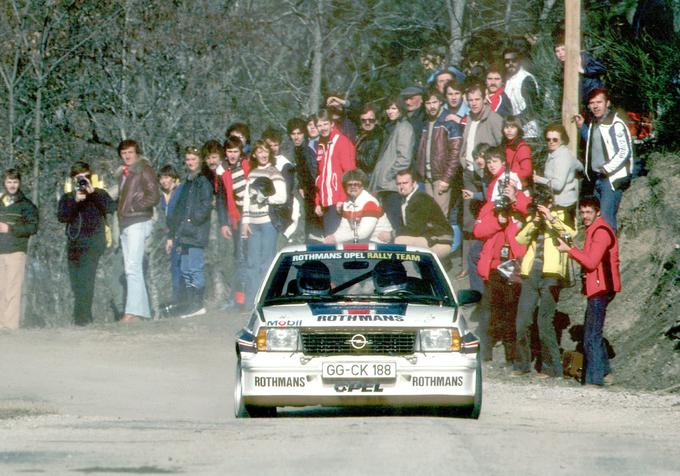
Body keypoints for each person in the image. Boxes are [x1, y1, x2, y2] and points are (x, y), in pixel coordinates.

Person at [513, 185, 575, 378]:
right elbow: (520, 239)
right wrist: (534, 222)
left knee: (544, 322)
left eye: (544, 203)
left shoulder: (562, 214)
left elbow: (570, 234)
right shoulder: (532, 217)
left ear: (550, 201)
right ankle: (522, 364)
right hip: (531, 272)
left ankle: (551, 368)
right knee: (522, 321)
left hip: (551, 274)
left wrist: (551, 218)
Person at [473, 149, 529, 364]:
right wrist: (499, 220)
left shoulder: (520, 203)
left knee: (510, 311)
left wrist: (515, 199)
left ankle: (512, 355)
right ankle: (485, 352)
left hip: (514, 264)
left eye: (508, 187)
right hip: (495, 264)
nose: (504, 190)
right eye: (502, 187)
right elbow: (478, 231)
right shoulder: (491, 207)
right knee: (488, 311)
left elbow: (530, 212)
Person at [557, 196, 620, 386]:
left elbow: (591, 262)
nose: (584, 216)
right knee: (593, 333)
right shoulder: (593, 229)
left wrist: (570, 250)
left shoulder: (600, 232)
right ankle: (605, 374)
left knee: (591, 335)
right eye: (582, 212)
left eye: (588, 212)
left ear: (598, 212)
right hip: (598, 286)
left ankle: (594, 381)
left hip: (601, 287)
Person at [57, 162, 115, 326]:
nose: (82, 181)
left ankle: (83, 319)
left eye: (86, 177)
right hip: (74, 244)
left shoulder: (99, 193)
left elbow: (111, 207)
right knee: (76, 283)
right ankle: (80, 317)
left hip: (93, 244)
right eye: (78, 178)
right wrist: (75, 201)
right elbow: (62, 216)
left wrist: (93, 193)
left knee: (86, 281)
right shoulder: (68, 197)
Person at [575, 88, 634, 232]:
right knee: (597, 221)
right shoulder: (596, 123)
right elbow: (594, 143)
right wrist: (582, 127)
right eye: (592, 103)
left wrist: (606, 168)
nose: (595, 106)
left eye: (599, 102)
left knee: (607, 222)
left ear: (607, 103)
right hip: (597, 178)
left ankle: (610, 254)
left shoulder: (616, 124)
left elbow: (624, 151)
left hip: (611, 180)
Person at [166, 147, 214, 318]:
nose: (190, 162)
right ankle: (191, 303)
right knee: (185, 268)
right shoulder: (187, 182)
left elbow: (205, 206)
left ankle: (198, 304)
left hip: (196, 232)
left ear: (199, 160)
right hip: (184, 233)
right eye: (188, 159)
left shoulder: (203, 182)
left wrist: (192, 220)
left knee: (195, 268)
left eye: (193, 159)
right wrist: (175, 231)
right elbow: (179, 209)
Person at [116, 140, 160, 322]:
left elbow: (154, 196)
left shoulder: (144, 169)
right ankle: (141, 312)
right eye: (124, 153)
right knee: (130, 268)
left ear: (137, 153)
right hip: (125, 222)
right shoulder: (123, 173)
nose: (127, 156)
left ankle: (132, 312)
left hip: (138, 221)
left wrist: (135, 207)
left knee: (133, 267)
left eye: (130, 152)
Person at [242, 140, 287, 305]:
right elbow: (247, 198)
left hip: (268, 222)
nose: (263, 155)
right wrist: (245, 222)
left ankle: (264, 300)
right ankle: (250, 302)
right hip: (253, 223)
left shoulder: (274, 172)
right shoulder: (253, 173)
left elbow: (282, 197)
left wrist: (265, 198)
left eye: (265, 151)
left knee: (266, 262)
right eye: (259, 151)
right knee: (252, 262)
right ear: (254, 154)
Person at [415, 85, 463, 217]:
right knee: (430, 217)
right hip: (427, 178)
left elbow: (455, 153)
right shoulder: (426, 123)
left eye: (434, 102)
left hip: (441, 177)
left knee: (440, 218)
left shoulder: (449, 121)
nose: (432, 106)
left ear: (441, 102)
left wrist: (446, 179)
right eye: (428, 103)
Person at [0, 169, 38, 330]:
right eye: (9, 182)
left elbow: (32, 227)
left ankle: (10, 326)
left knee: (12, 289)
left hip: (16, 251)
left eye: (15, 182)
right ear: (4, 183)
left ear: (19, 183)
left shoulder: (26, 205)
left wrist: (10, 229)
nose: (12, 185)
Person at [369, 96, 414, 230]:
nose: (390, 111)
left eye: (394, 108)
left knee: (395, 222)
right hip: (385, 185)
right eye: (388, 108)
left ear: (401, 109)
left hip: (393, 185)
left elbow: (404, 158)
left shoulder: (404, 128)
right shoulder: (392, 127)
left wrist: (389, 175)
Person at [216, 137, 251, 309]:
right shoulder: (222, 171)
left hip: (252, 216)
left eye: (235, 151)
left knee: (251, 256)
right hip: (235, 217)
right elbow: (221, 198)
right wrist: (224, 223)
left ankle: (252, 294)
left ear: (241, 151)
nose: (232, 155)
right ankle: (240, 298)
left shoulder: (248, 165)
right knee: (240, 256)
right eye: (229, 151)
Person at [314, 109, 357, 237]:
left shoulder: (342, 142)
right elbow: (320, 176)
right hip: (326, 202)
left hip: (338, 201)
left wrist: (343, 199)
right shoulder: (321, 144)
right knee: (328, 239)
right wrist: (318, 201)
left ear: (332, 123)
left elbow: (350, 174)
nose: (323, 128)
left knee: (337, 242)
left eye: (325, 124)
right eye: (319, 125)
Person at [394, 169, 453, 261]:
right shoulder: (406, 199)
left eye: (405, 183)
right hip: (427, 238)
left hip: (440, 242)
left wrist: (391, 234)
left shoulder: (421, 198)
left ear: (413, 183)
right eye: (398, 184)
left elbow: (414, 229)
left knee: (398, 241)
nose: (401, 186)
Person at [324, 169, 392, 245]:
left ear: (362, 186)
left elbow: (363, 233)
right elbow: (344, 228)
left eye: (356, 184)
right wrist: (332, 237)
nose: (353, 187)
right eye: (349, 185)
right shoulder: (347, 203)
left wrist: (336, 238)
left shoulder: (370, 202)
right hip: (363, 240)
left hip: (379, 242)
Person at [533, 123, 583, 222]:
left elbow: (558, 185)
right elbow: (580, 166)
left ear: (562, 140)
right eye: (548, 139)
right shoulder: (555, 153)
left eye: (555, 139)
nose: (551, 142)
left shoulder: (562, 157)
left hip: (563, 205)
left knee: (562, 235)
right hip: (556, 202)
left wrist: (538, 179)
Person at [287, 117, 322, 241]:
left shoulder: (308, 148)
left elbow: (314, 172)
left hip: (316, 194)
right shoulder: (297, 150)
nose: (296, 137)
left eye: (299, 133)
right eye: (293, 134)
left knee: (315, 231)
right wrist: (301, 185)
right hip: (307, 194)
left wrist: (318, 195)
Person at [460, 83, 504, 174]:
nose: (474, 103)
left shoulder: (494, 118)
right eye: (470, 100)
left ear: (484, 99)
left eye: (477, 99)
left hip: (486, 172)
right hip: (468, 171)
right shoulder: (468, 119)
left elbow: (503, 146)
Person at [554, 31, 606, 104]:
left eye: (563, 49)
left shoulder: (583, 57)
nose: (560, 53)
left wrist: (584, 70)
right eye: (557, 51)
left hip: (596, 98)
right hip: (582, 102)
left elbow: (602, 68)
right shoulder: (563, 67)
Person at [158, 165, 184, 304]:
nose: (164, 181)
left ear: (174, 178)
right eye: (161, 178)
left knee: (180, 266)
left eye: (167, 177)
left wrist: (171, 237)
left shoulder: (180, 191)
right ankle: (174, 299)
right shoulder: (161, 195)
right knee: (173, 267)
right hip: (165, 235)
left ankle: (181, 299)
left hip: (178, 234)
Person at [503, 47, 540, 140]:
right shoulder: (507, 79)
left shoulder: (526, 79)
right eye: (507, 61)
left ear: (519, 60)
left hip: (529, 133)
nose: (510, 64)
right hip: (513, 131)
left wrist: (513, 123)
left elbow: (532, 109)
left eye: (514, 60)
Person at [502, 115, 533, 188]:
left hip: (519, 186)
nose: (509, 130)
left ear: (518, 129)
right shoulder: (505, 145)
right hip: (507, 184)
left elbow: (527, 171)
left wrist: (510, 176)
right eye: (506, 127)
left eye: (512, 127)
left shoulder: (522, 148)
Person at [355, 104, 383, 176]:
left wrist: (351, 154)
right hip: (361, 175)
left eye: (371, 120)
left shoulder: (377, 137)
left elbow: (369, 162)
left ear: (376, 121)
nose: (367, 123)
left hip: (369, 179)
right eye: (364, 120)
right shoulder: (362, 134)